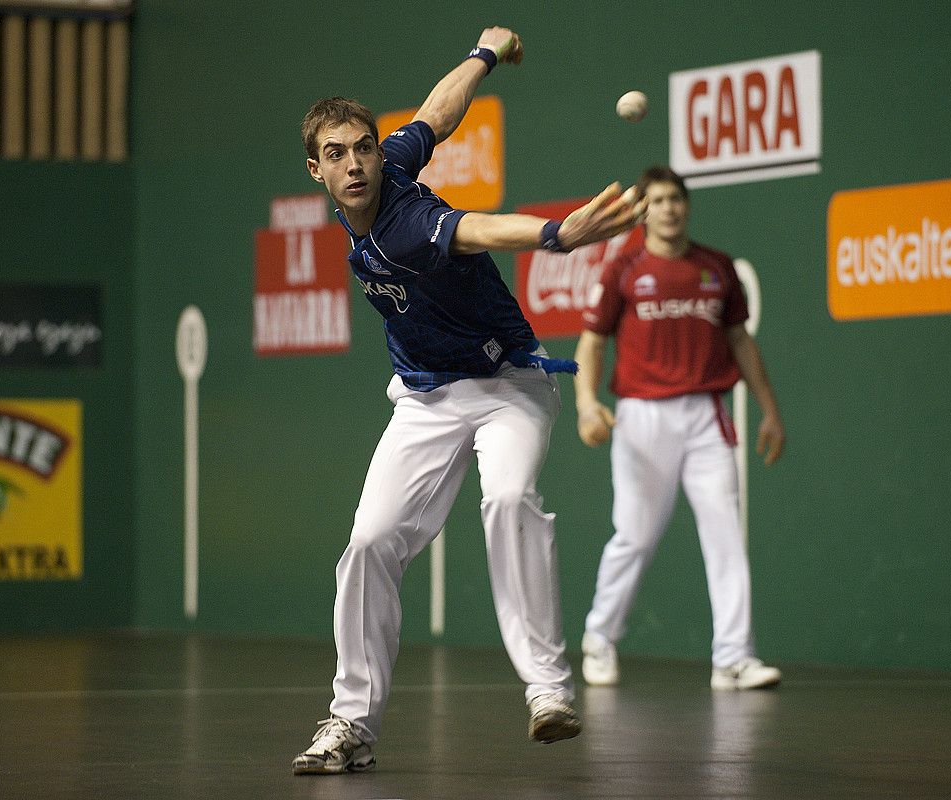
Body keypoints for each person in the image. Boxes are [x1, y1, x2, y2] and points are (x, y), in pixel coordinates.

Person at [290, 28, 646, 775]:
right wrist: (484, 55)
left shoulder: (407, 224)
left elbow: (478, 229)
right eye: (336, 154)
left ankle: (548, 692)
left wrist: (555, 234)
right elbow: (439, 113)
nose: (355, 163)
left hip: (508, 386)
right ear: (316, 170)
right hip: (424, 397)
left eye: (362, 147)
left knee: (510, 496)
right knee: (368, 542)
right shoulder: (387, 168)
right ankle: (351, 722)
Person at [573, 165, 785, 692]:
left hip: (707, 416)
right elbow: (593, 341)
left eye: (676, 199)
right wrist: (584, 403)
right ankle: (600, 637)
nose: (668, 208)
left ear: (686, 206)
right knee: (636, 535)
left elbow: (741, 341)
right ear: (643, 211)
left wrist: (770, 411)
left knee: (726, 535)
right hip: (642, 418)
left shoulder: (717, 268)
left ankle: (733, 657)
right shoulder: (623, 268)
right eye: (658, 200)